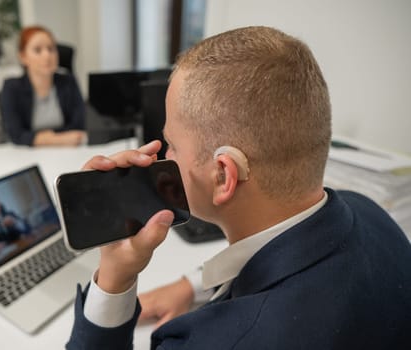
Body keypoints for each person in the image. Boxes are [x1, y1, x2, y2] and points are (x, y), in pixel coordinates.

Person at [65, 26, 411, 349]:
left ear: (223, 175)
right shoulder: (369, 212)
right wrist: (192, 285)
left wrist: (115, 277)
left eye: (171, 145)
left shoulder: (216, 340)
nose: (161, 156)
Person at [0, 25, 86, 146]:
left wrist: (38, 138)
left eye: (51, 49)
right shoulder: (12, 87)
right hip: (26, 153)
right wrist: (59, 139)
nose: (47, 55)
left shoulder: (68, 81)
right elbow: (16, 134)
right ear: (23, 57)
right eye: (38, 50)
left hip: (69, 152)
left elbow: (79, 125)